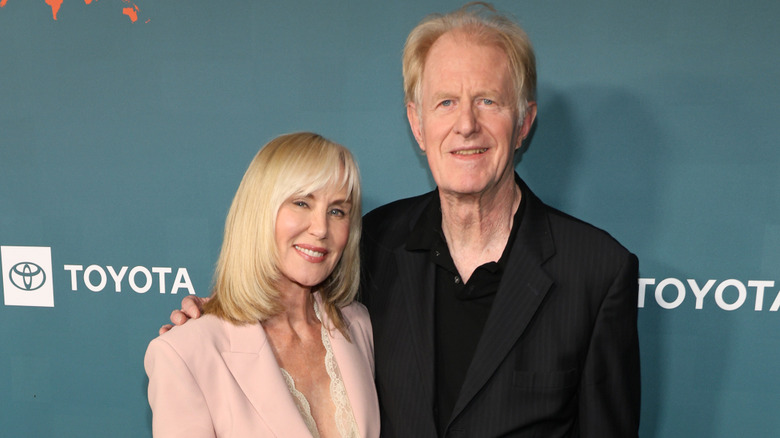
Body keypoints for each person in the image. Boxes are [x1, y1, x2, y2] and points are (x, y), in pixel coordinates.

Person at [164, 3, 640, 437]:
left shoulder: (596, 272)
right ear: (417, 123)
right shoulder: (369, 246)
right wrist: (215, 324)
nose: (466, 124)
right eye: (446, 102)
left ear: (524, 123)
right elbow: (289, 323)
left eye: (488, 101)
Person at [145, 132, 380, 437]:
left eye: (337, 211)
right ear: (260, 211)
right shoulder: (186, 353)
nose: (321, 229)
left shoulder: (358, 325)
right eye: (301, 203)